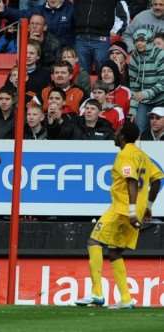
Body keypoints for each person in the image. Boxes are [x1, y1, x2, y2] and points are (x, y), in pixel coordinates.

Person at [75, 122, 163, 309]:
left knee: (94, 242)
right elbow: (158, 179)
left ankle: (97, 293)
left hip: (122, 209)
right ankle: (125, 299)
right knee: (115, 252)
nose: (115, 136)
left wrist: (131, 211)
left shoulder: (125, 154)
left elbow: (131, 181)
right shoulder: (142, 155)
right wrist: (147, 206)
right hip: (136, 210)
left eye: (117, 133)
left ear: (122, 137)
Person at [129, 28, 164, 133]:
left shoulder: (160, 54)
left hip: (161, 99)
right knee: (138, 128)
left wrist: (146, 94)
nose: (139, 43)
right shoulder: (134, 58)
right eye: (136, 41)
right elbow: (134, 87)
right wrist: (132, 110)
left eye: (142, 40)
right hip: (144, 102)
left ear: (149, 40)